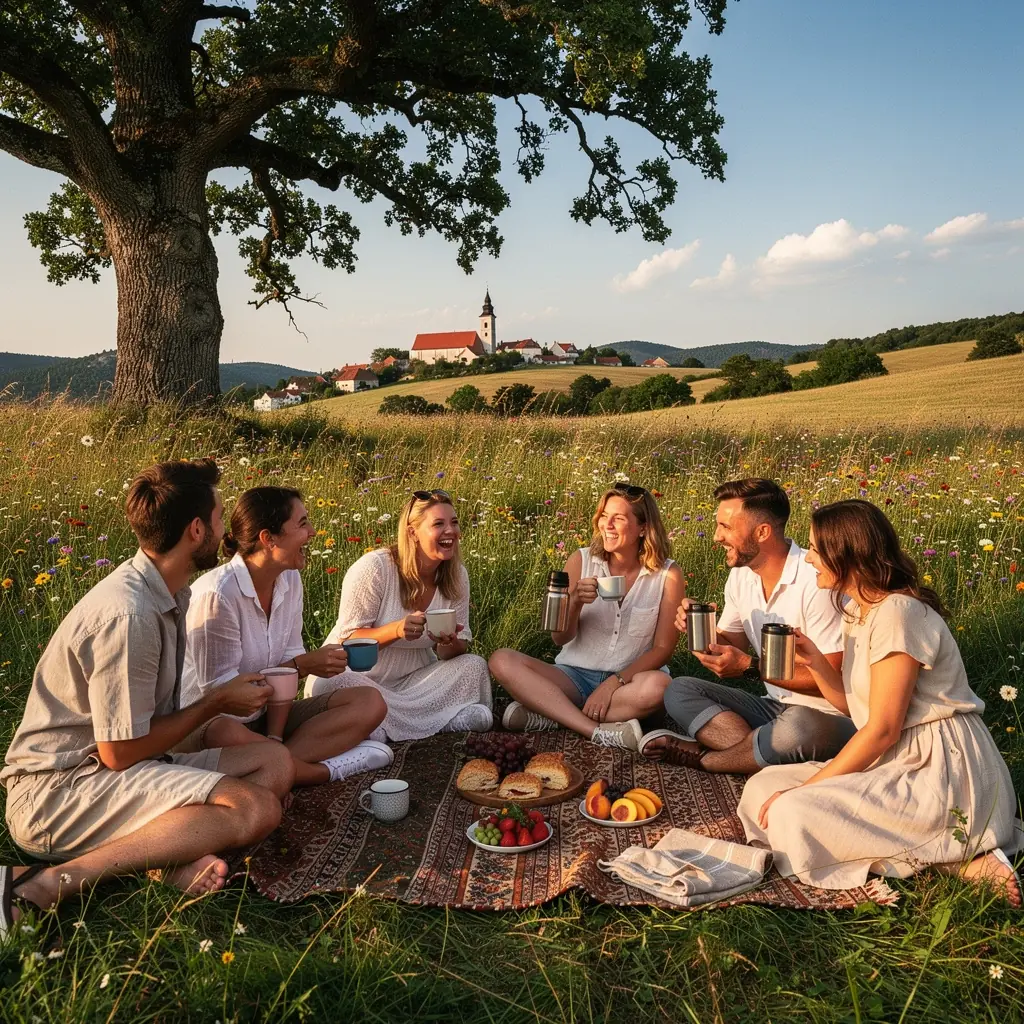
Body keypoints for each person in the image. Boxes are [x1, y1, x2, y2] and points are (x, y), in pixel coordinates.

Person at [1, 460, 294, 935]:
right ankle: (49, 884)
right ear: (196, 529)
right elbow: (120, 753)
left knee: (274, 763)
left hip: (121, 769)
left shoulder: (167, 593)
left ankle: (160, 858)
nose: (226, 531)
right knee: (255, 808)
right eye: (220, 518)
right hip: (59, 791)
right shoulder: (130, 615)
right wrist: (216, 703)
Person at [738, 500, 1020, 903]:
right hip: (896, 756)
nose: (811, 559)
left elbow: (883, 729)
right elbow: (856, 709)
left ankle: (956, 859)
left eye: (817, 550)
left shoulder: (897, 614)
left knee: (791, 810)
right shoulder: (859, 611)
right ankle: (936, 854)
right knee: (763, 785)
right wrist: (817, 661)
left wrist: (811, 787)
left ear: (847, 554)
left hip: (938, 769)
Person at [641, 478, 856, 773]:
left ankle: (709, 758)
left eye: (726, 527)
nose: (716, 537)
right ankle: (759, 751)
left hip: (826, 715)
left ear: (762, 532)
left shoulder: (816, 580)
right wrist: (699, 628)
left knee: (796, 728)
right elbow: (732, 646)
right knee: (679, 690)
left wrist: (751, 667)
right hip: (772, 708)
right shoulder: (742, 576)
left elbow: (832, 679)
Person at [181, 486, 391, 787]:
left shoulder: (289, 579)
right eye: (303, 523)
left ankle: (276, 766)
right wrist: (304, 665)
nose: (313, 532)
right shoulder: (218, 595)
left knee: (370, 702)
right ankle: (323, 771)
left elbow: (285, 668)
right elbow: (223, 696)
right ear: (269, 538)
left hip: (266, 716)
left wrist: (275, 735)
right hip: (211, 722)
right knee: (223, 731)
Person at [489, 482, 685, 751]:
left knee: (661, 686)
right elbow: (560, 638)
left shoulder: (668, 575)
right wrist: (576, 603)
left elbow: (663, 649)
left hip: (630, 682)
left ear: (643, 527)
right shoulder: (581, 561)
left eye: (618, 518)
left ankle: (553, 713)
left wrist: (613, 684)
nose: (607, 525)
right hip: (573, 676)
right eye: (604, 516)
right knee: (502, 660)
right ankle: (593, 729)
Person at [309, 489, 492, 738]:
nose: (451, 531)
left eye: (454, 522)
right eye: (439, 524)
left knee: (474, 666)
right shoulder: (375, 568)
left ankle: (387, 727)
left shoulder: (457, 575)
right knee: (337, 683)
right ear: (412, 532)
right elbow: (348, 640)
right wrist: (396, 630)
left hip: (414, 682)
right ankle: (434, 722)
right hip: (361, 679)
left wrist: (450, 641)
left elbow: (452, 654)